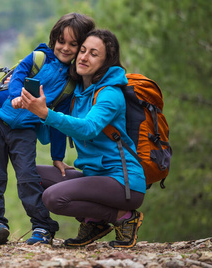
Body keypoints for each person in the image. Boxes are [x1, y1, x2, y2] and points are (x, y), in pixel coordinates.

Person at [19, 29, 146, 248]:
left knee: (53, 198)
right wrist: (23, 91)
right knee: (30, 174)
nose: (84, 57)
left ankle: (123, 217)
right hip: (93, 177)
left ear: (106, 61)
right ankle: (94, 221)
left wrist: (46, 113)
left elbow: (88, 128)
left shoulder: (110, 94)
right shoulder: (76, 90)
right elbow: (48, 132)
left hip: (123, 183)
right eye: (83, 50)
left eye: (94, 54)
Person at [0, 13, 95, 245]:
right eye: (61, 41)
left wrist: (57, 157)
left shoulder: (70, 83)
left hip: (25, 129)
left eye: (73, 44)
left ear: (81, 47)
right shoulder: (39, 57)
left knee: (27, 178)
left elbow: (57, 122)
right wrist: (14, 97)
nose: (65, 48)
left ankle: (42, 227)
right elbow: (17, 77)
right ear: (54, 39)